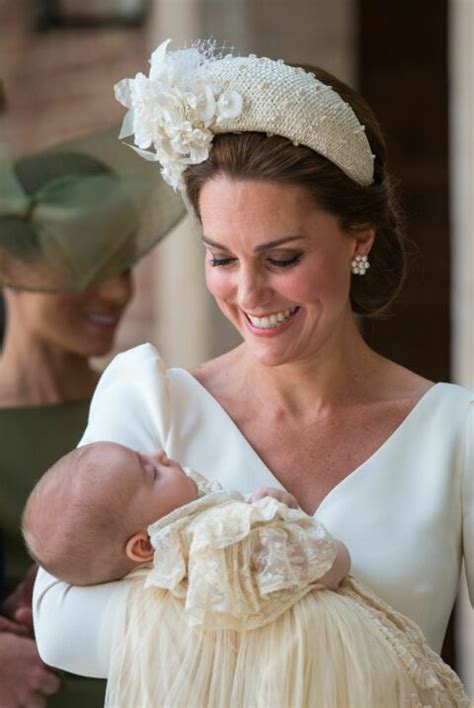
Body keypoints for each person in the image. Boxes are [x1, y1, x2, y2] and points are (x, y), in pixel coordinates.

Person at [33, 39, 473, 701]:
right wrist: (272, 585)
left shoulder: (453, 432)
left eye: (283, 258)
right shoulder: (153, 406)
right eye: (221, 258)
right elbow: (62, 627)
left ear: (360, 238)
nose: (249, 293)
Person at [24, 442, 468, 706]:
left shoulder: (168, 575)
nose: (160, 453)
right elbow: (327, 564)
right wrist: (285, 517)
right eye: (151, 471)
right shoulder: (220, 542)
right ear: (142, 545)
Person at [0, 131, 184, 707]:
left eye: (125, 262)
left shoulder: (152, 407)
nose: (115, 291)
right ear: (9, 263)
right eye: (88, 265)